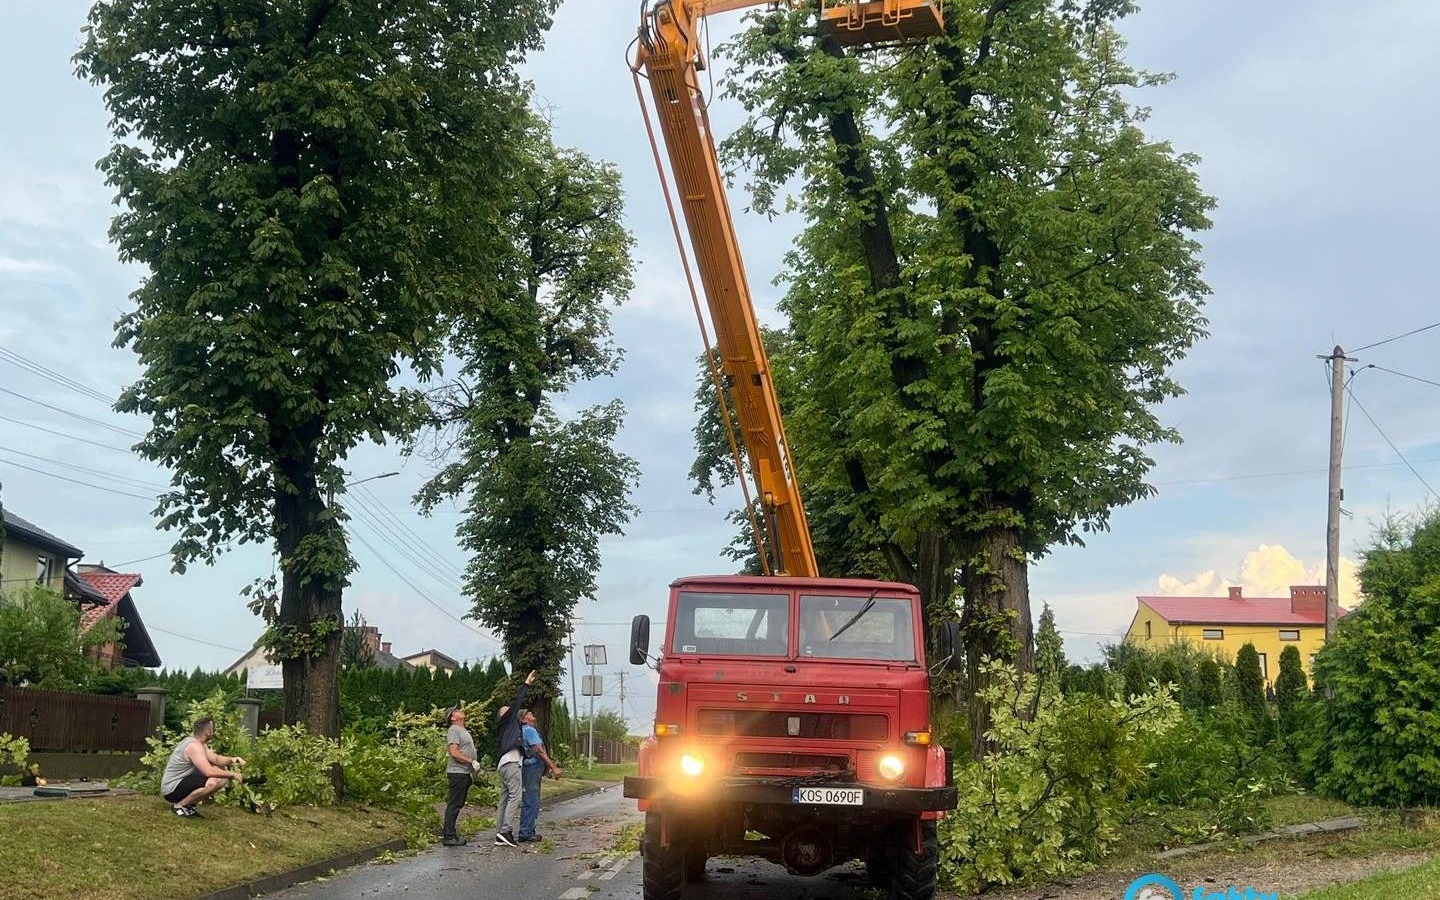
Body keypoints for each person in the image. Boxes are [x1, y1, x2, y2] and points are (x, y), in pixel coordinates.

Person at [160, 716, 245, 818]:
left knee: (222, 779)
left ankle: (188, 806)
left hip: (181, 781)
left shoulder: (199, 744)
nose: (214, 731)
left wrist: (232, 760)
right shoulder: (194, 746)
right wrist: (233, 774)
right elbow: (208, 771)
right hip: (172, 788)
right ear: (208, 731)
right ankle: (179, 806)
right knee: (213, 781)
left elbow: (216, 759)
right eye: (213, 728)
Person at [493, 669, 536, 847]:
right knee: (515, 796)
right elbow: (517, 702)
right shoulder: (508, 721)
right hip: (511, 763)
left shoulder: (507, 729)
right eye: (508, 710)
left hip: (504, 764)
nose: (511, 710)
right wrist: (526, 684)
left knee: (504, 798)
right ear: (504, 715)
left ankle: (500, 833)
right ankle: (506, 831)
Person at [518, 709, 564, 843]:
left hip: (529, 767)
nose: (532, 713)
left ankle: (528, 830)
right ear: (523, 719)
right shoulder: (530, 730)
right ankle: (526, 832)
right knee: (532, 799)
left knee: (531, 798)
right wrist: (553, 767)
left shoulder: (524, 731)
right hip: (532, 767)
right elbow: (539, 750)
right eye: (528, 713)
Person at [441, 702, 483, 846]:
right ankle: (448, 836)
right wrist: (471, 761)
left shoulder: (462, 730)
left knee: (458, 804)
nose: (460, 711)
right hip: (457, 772)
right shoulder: (454, 730)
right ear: (452, 718)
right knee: (454, 804)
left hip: (464, 773)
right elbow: (454, 752)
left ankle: (451, 833)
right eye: (456, 711)